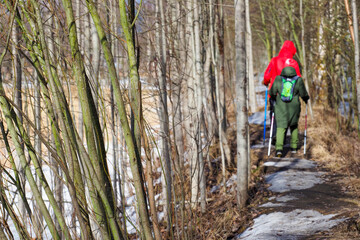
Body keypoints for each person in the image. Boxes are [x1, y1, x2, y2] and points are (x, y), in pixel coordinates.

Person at [263, 40, 302, 140]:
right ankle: (281, 138)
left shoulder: (274, 60)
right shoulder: (294, 63)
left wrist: (265, 82)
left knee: (274, 113)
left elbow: (267, 74)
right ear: (293, 51)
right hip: (288, 93)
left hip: (274, 92)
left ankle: (274, 134)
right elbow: (298, 78)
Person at [269, 66, 309, 157]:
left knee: (281, 127)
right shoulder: (298, 80)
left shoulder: (278, 79)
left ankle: (279, 149)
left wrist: (274, 98)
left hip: (280, 106)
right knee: (294, 125)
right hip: (294, 107)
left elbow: (272, 92)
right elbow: (303, 93)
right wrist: (306, 98)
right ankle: (294, 147)